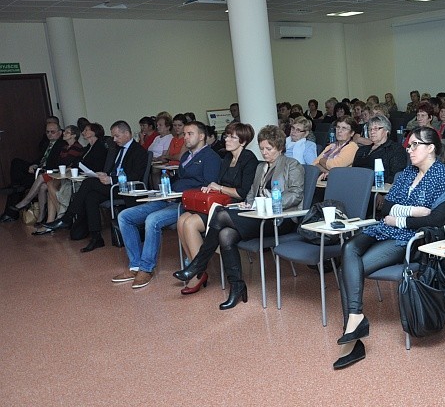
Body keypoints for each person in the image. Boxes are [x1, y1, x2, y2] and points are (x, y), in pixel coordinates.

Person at [334, 127, 445, 369]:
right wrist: (412, 211)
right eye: (409, 145)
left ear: (431, 148)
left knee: (349, 270)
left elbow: (435, 220)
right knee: (349, 248)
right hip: (383, 228)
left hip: (409, 238)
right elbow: (384, 209)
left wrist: (400, 217)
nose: (409, 150)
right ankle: (356, 317)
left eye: (415, 145)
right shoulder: (405, 174)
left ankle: (353, 341)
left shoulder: (442, 176)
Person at [173, 125, 304, 310]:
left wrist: (269, 200)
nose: (264, 153)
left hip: (280, 220)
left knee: (220, 214)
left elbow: (297, 195)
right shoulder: (261, 167)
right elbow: (250, 193)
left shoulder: (292, 165)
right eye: (262, 149)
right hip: (258, 216)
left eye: (269, 149)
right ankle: (237, 286)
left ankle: (197, 265)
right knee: (226, 234)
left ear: (280, 148)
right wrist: (249, 204)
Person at [112, 121, 222, 289]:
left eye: (189, 134)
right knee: (125, 216)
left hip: (187, 204)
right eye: (184, 134)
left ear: (201, 136)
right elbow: (181, 179)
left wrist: (179, 194)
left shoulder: (211, 157)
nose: (185, 137)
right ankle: (135, 265)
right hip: (169, 198)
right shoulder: (186, 156)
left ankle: (146, 268)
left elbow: (208, 188)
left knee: (152, 220)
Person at [174, 122, 258, 294]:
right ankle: (195, 268)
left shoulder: (249, 159)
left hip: (234, 207)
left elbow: (242, 192)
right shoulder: (226, 158)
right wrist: (211, 188)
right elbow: (217, 183)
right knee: (182, 220)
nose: (226, 139)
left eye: (232, 137)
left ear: (242, 141)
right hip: (219, 204)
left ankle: (197, 271)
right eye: (227, 135)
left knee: (190, 224)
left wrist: (218, 188)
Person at [43, 120, 149, 252]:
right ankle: (96, 237)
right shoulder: (116, 149)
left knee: (89, 183)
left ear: (127, 134)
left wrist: (111, 179)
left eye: (117, 136)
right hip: (113, 185)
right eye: (113, 136)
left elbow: (135, 176)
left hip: (126, 188)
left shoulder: (139, 151)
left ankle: (68, 217)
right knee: (91, 196)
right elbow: (114, 169)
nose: (114, 139)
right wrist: (104, 174)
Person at [3, 124, 83, 224]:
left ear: (73, 135)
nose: (64, 133)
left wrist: (54, 168)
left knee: (41, 178)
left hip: (63, 176)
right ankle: (42, 217)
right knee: (42, 186)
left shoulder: (75, 147)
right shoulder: (65, 147)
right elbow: (59, 162)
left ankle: (25, 201)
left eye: (66, 132)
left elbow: (64, 163)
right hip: (56, 173)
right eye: (47, 132)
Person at [36, 123, 109, 230]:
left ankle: (62, 217)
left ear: (94, 132)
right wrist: (73, 167)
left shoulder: (99, 147)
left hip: (90, 179)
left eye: (86, 130)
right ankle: (53, 220)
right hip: (81, 176)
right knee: (50, 184)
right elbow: (78, 162)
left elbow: (95, 166)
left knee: (52, 184)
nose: (83, 132)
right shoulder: (88, 147)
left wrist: (78, 167)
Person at [352, 115, 407, 183]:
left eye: (376, 128)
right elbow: (353, 172)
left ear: (386, 130)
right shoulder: (362, 150)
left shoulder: (395, 149)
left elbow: (395, 176)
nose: (372, 132)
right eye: (370, 129)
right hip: (357, 185)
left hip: (379, 189)